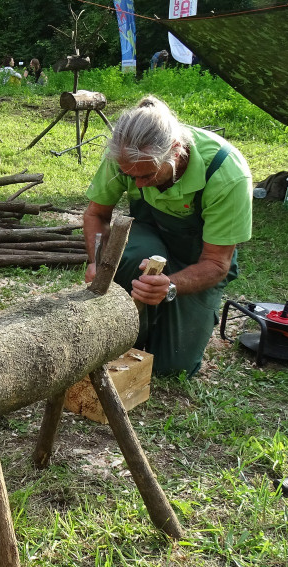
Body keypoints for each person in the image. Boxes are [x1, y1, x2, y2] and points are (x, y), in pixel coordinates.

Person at [83, 95, 252, 377]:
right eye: (130, 176)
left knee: (172, 366)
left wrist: (170, 286)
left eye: (147, 175)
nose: (138, 184)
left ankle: (158, 320)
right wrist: (97, 261)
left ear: (175, 151)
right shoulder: (126, 155)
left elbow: (216, 263)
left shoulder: (226, 173)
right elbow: (96, 215)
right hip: (148, 239)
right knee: (131, 260)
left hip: (199, 259)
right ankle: (131, 328)